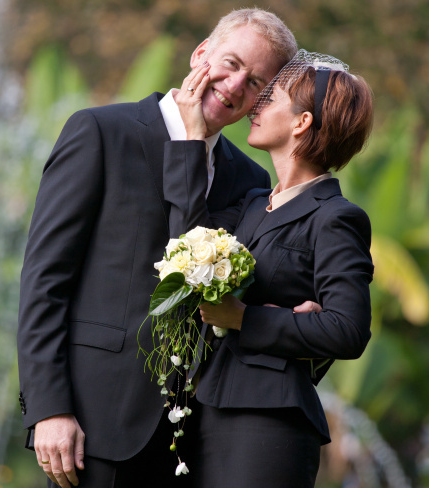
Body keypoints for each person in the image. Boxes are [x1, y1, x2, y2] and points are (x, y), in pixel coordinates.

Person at [16, 9, 299, 488]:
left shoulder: (249, 179)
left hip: (195, 440)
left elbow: (200, 284)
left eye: (255, 83)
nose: (234, 86)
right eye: (230, 64)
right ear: (200, 54)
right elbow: (44, 280)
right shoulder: (100, 133)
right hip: (92, 426)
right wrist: (49, 409)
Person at [163, 49, 375, 487]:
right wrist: (191, 140)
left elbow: (348, 330)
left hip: (268, 420)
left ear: (301, 123)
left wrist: (245, 319)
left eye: (271, 98)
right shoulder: (254, 203)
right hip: (206, 409)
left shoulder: (336, 217)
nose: (255, 107)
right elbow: (187, 247)